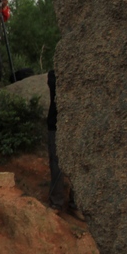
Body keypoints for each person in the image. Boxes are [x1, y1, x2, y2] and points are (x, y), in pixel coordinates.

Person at [47, 69, 84, 220]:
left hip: (77, 125)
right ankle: (57, 202)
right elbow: (59, 92)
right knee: (56, 163)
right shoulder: (54, 74)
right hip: (56, 124)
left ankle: (76, 204)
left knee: (79, 165)